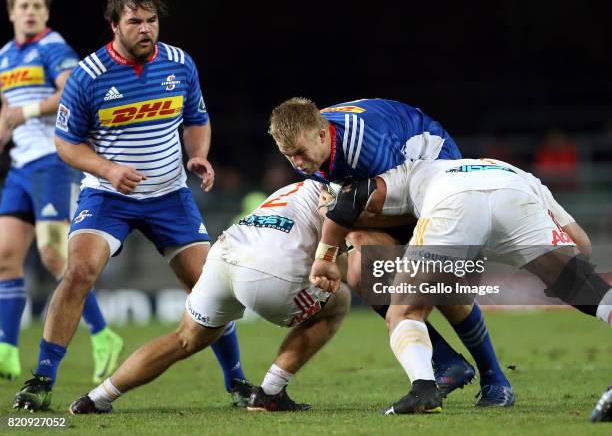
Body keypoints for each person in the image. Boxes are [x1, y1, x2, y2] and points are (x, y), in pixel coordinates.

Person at [13, 0, 249, 412]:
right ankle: (41, 381)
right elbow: (66, 142)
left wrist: (198, 156)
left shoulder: (179, 64)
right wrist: (107, 168)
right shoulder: (88, 75)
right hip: (108, 196)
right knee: (79, 272)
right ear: (114, 26)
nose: (146, 29)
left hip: (169, 195)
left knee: (209, 287)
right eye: (135, 21)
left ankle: (238, 384)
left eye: (152, 20)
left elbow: (197, 117)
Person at [309, 157, 611, 414]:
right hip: (515, 196)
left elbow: (353, 203)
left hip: (454, 203)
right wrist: (558, 271)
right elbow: (581, 244)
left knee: (404, 311)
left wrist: (327, 224)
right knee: (585, 287)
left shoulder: (413, 170)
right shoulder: (519, 172)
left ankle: (423, 391)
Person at [269, 97, 514, 405]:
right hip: (384, 190)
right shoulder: (311, 141)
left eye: (300, 154)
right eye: (288, 156)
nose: (297, 164)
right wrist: (336, 215)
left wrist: (337, 218)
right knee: (362, 272)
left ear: (321, 136)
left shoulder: (365, 145)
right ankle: (446, 362)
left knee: (438, 284)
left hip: (437, 179)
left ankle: (495, 379)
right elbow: (342, 201)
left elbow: (402, 201)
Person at [68, 180, 351, 414]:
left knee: (184, 338)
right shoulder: (346, 184)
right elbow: (336, 222)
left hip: (224, 254)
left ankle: (96, 398)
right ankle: (270, 393)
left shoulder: (300, 185)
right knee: (339, 303)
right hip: (267, 271)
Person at [0, 0, 121, 384]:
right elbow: (6, 111)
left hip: (54, 161)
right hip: (21, 165)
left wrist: (27, 111)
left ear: (46, 13)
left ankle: (104, 335)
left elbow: (67, 91)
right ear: (12, 12)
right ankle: (7, 350)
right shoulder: (4, 56)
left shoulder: (53, 47)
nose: (31, 11)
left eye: (37, 5)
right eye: (24, 6)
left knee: (53, 254)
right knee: (5, 256)